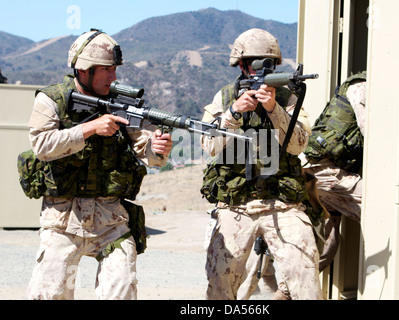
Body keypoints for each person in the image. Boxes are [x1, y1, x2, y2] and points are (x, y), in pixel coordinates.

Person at [25, 29, 173, 300]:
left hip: (110, 221)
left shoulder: (120, 104)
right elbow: (42, 147)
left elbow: (150, 154)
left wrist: (158, 149)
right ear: (84, 70)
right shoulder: (51, 100)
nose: (113, 76)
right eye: (106, 69)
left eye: (114, 69)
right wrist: (89, 129)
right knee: (48, 295)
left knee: (121, 292)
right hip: (63, 220)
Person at [200, 28, 324, 300]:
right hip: (235, 203)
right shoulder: (224, 97)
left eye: (266, 63)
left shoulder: (288, 98)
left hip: (281, 202)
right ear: (241, 65)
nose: (259, 69)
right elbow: (208, 146)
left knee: (305, 272)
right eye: (252, 63)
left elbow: (298, 144)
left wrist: (274, 110)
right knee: (221, 281)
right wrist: (233, 113)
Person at [302, 71, 366, 271]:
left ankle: (288, 293)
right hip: (325, 172)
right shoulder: (361, 87)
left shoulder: (354, 87)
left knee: (326, 241)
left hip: (319, 172)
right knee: (379, 211)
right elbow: (369, 131)